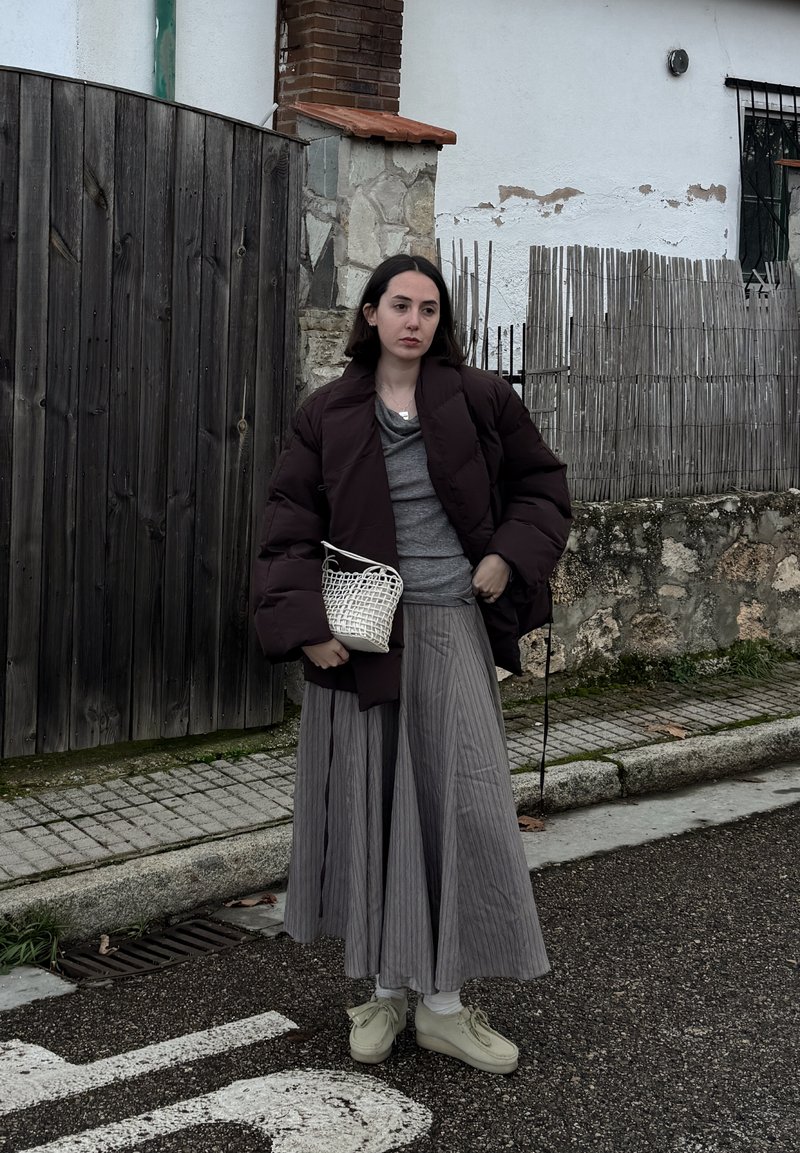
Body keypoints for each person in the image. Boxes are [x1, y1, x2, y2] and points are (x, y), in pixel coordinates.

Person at [253, 253, 571, 1075]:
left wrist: (506, 555)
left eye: (429, 309)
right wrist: (307, 628)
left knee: (458, 810)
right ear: (370, 313)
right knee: (374, 812)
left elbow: (544, 488)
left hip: (451, 633)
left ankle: (445, 1005)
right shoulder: (327, 412)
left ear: (440, 321)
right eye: (400, 305)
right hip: (359, 641)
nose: (414, 321)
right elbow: (288, 524)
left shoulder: (481, 399)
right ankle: (388, 990)